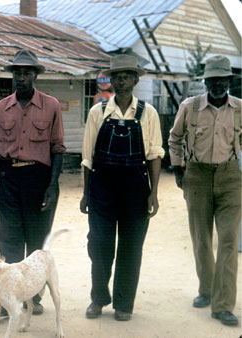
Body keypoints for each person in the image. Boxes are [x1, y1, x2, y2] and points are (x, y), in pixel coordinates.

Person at [80, 54, 163, 321]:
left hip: (135, 188)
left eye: (126, 76)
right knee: (100, 245)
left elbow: (155, 155)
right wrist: (85, 193)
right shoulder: (98, 112)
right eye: (117, 76)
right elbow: (87, 157)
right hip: (102, 187)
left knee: (131, 247)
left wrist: (154, 193)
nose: (121, 80)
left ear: (136, 80)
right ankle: (98, 299)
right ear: (111, 80)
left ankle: (124, 304)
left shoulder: (148, 113)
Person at [0, 49, 65, 317]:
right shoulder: (1, 107)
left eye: (27, 73)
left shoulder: (51, 105)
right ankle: (11, 299)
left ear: (35, 76)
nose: (21, 77)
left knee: (36, 242)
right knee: (8, 240)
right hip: (8, 179)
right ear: (12, 76)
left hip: (38, 179)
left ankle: (34, 299)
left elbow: (57, 148)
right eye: (17, 72)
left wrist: (52, 185)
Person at [168, 55, 241, 326]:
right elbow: (174, 138)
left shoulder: (240, 108)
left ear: (229, 81)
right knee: (201, 238)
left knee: (229, 241)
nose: (218, 84)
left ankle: (223, 305)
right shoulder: (190, 106)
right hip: (196, 176)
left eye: (223, 79)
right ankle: (206, 290)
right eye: (213, 80)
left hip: (231, 177)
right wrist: (178, 169)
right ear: (206, 81)